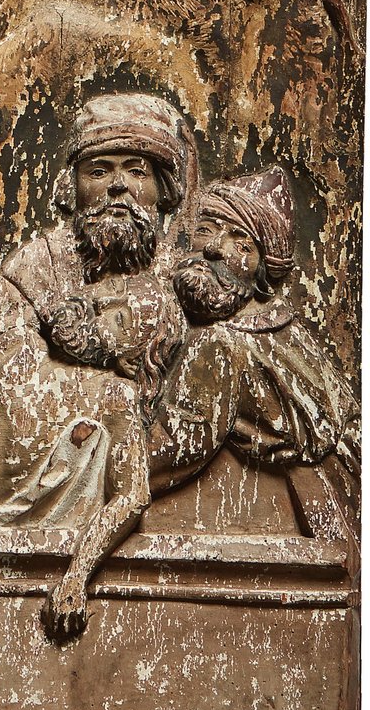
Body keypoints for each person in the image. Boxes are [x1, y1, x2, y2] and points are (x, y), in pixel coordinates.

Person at [0, 93, 192, 638]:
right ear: (72, 187)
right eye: (98, 171)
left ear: (163, 190)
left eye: (137, 170)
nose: (118, 186)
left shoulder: (180, 283)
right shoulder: (37, 267)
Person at [150, 167, 360, 533]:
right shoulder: (277, 330)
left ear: (263, 272)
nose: (214, 248)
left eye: (241, 244)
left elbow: (174, 449)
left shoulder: (220, 343)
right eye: (205, 229)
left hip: (318, 515)